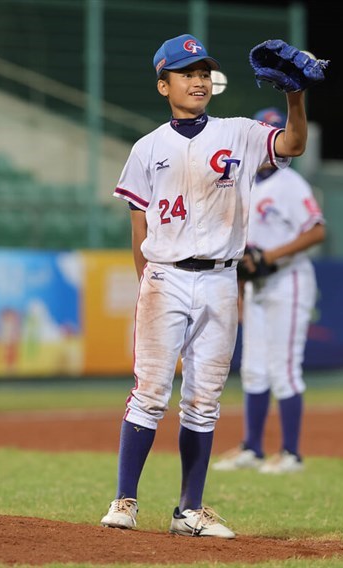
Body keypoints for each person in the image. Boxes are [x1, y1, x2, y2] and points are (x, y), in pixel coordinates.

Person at [100, 35, 310, 538]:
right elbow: (139, 231)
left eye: (203, 72)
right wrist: (149, 284)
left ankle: (189, 510)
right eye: (186, 72)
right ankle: (125, 501)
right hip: (166, 276)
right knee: (149, 391)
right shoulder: (147, 148)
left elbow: (294, 144)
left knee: (203, 399)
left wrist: (295, 97)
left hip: (221, 278)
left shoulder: (237, 132)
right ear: (163, 84)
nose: (197, 80)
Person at [212, 107, 326, 475]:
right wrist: (243, 287)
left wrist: (270, 256)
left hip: (289, 281)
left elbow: (317, 230)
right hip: (258, 285)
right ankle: (253, 448)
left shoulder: (289, 183)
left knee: (284, 367)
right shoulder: (246, 183)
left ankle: (291, 453)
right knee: (254, 369)